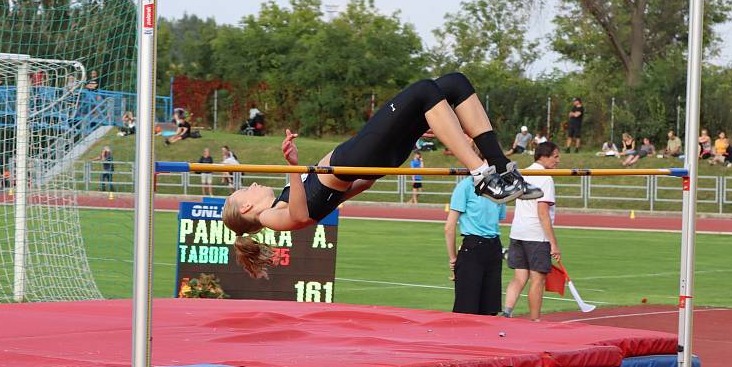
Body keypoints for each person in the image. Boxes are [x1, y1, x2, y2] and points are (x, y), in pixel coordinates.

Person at [221, 72, 542, 278]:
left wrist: (395, 148)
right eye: (243, 192)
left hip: (374, 158)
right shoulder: (269, 216)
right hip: (363, 154)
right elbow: (302, 214)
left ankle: (501, 169)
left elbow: (349, 190)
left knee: (453, 85)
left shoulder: (279, 203)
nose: (251, 184)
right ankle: (481, 173)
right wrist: (294, 165)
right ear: (246, 209)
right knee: (424, 90)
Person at [502, 141, 561, 321]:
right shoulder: (545, 178)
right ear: (543, 156)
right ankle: (535, 320)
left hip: (518, 232)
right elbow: (542, 212)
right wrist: (554, 244)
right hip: (536, 235)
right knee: (537, 279)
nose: (558, 161)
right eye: (555, 156)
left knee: (519, 277)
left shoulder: (523, 173)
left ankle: (507, 312)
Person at [444, 175, 507, 315]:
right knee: (488, 310)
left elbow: (449, 227)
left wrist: (453, 258)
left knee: (467, 309)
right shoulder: (497, 185)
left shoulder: (466, 186)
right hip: (492, 247)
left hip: (475, 248)